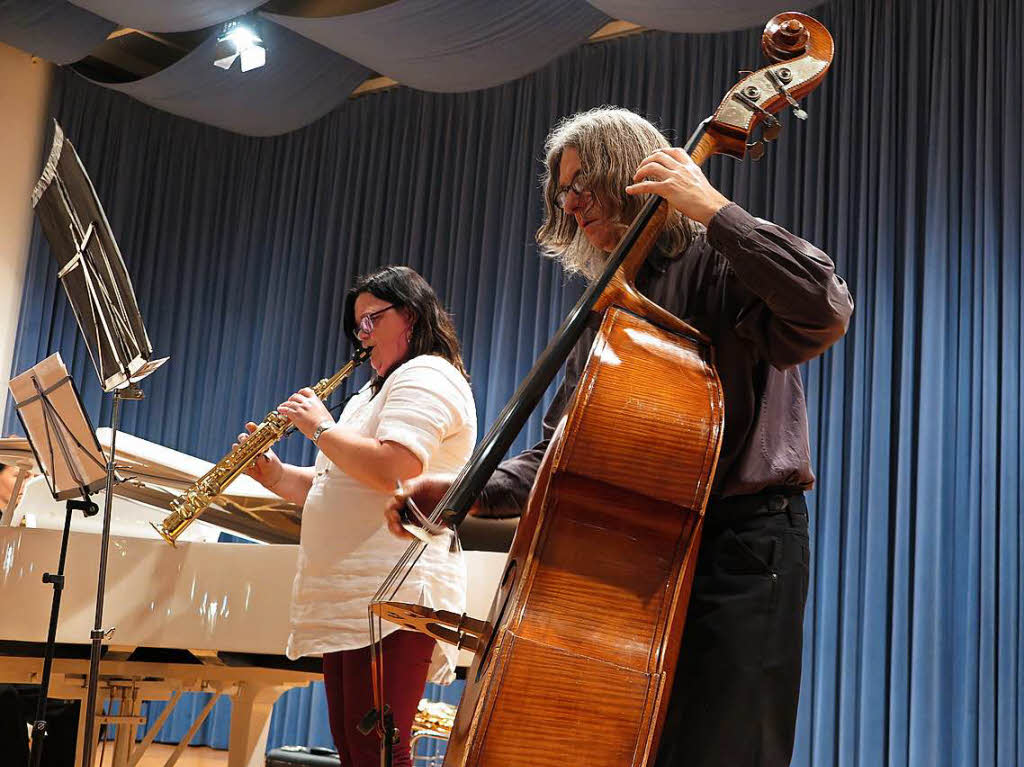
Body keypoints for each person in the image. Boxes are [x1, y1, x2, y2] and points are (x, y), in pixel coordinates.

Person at [387, 106, 853, 767]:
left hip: (744, 546)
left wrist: (713, 208)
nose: (569, 202)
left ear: (628, 171)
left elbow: (825, 305)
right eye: (561, 191)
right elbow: (564, 452)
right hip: (643, 554)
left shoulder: (719, 263)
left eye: (581, 182)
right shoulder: (614, 301)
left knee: (727, 747)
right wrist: (465, 489)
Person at [239, 266, 476, 767]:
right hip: (353, 594)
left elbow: (396, 468)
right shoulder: (370, 394)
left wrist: (320, 428)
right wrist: (277, 476)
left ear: (409, 314)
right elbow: (334, 483)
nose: (362, 335)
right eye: (357, 326)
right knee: (355, 751)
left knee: (381, 753)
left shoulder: (426, 374)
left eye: (372, 319)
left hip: (394, 590)